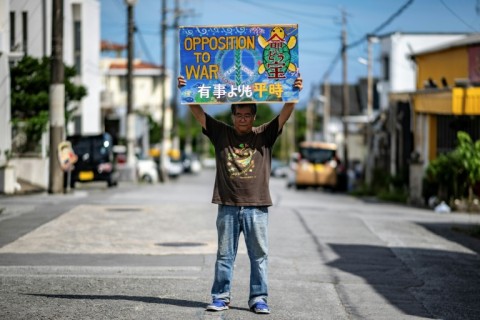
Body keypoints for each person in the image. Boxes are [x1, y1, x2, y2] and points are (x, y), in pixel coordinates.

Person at [178, 75, 303, 314]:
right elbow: (199, 114)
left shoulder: (264, 134)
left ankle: (258, 298)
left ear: (254, 117)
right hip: (227, 204)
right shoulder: (220, 133)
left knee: (259, 256)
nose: (243, 119)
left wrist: (294, 93)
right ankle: (220, 297)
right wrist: (186, 92)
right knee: (225, 255)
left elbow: (285, 113)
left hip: (257, 206)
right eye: (239, 114)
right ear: (232, 115)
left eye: (247, 115)